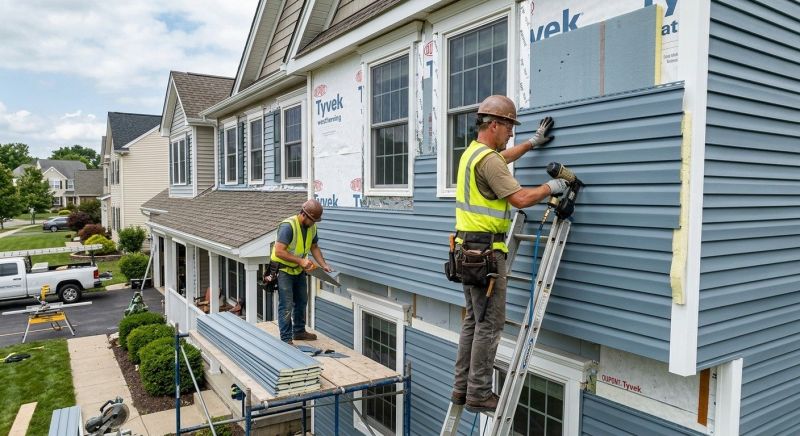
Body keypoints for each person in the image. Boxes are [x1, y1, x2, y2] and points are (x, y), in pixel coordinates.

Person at [452, 95, 568, 412]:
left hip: (467, 251)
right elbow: (519, 199)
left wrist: (532, 143)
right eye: (509, 128)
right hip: (487, 253)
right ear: (494, 125)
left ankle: (462, 389)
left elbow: (502, 159)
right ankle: (479, 393)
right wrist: (551, 187)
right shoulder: (489, 160)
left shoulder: (473, 154)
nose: (511, 135)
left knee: (473, 323)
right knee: (489, 325)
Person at [270, 199, 332, 344]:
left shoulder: (311, 228)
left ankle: (299, 332)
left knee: (302, 300)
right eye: (313, 220)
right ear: (304, 215)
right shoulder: (288, 226)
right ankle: (286, 339)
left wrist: (323, 264)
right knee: (286, 304)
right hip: (283, 269)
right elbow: (279, 252)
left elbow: (314, 247)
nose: (314, 223)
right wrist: (301, 261)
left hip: (298, 270)